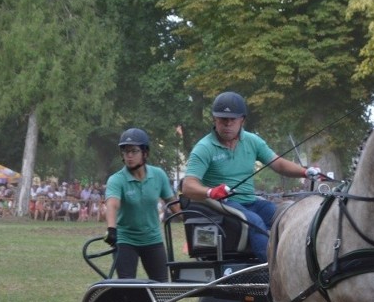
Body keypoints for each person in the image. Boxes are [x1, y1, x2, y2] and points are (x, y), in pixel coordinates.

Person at [180, 91, 319, 262]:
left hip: (250, 201)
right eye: (223, 119)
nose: (227, 124)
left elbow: (279, 164)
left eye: (233, 120)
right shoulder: (204, 147)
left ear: (242, 120)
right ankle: (270, 269)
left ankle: (299, 261)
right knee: (254, 221)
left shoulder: (253, 141)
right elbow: (188, 186)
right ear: (214, 119)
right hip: (222, 203)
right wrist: (211, 192)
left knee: (285, 215)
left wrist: (305, 172)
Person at [104, 128, 180, 280]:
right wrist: (111, 229)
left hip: (153, 239)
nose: (129, 156)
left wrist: (190, 218)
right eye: (125, 152)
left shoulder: (158, 175)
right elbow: (112, 204)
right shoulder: (117, 179)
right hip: (126, 239)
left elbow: (174, 204)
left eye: (134, 151)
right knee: (127, 286)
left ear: (145, 153)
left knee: (162, 287)